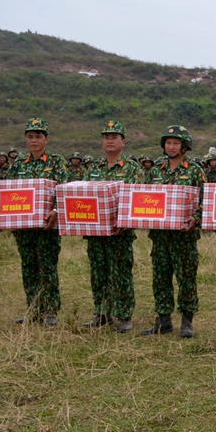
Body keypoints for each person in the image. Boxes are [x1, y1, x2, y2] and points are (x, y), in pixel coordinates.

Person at [141, 125, 206, 338]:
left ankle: (187, 321)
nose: (171, 146)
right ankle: (163, 319)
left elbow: (206, 201)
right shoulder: (155, 171)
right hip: (160, 236)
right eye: (168, 143)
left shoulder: (195, 171)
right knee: (160, 277)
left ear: (184, 146)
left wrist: (195, 218)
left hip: (184, 237)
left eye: (176, 143)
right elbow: (144, 198)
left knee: (186, 278)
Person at [82, 120, 143, 333]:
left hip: (120, 233)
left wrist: (124, 223)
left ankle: (124, 316)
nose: (109, 140)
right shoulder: (93, 169)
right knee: (98, 272)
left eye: (114, 137)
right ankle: (102, 312)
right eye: (106, 137)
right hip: (95, 233)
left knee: (120, 273)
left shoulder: (132, 169)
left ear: (123, 142)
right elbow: (83, 197)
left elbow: (137, 201)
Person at [6, 119, 68, 326]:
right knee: (29, 267)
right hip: (24, 228)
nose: (34, 140)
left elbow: (64, 189)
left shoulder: (56, 161)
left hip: (46, 227)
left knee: (47, 268)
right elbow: (7, 193)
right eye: (30, 137)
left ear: (46, 139)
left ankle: (50, 311)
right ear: (25, 140)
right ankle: (33, 309)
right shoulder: (18, 165)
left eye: (38, 136)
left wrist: (57, 210)